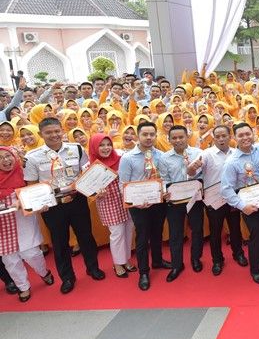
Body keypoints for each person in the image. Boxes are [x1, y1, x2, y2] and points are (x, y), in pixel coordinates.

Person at [23, 117, 104, 294]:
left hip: (77, 200)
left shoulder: (76, 149)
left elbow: (86, 173)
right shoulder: (32, 157)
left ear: (62, 131)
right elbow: (32, 185)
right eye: (48, 132)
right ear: (41, 134)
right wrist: (38, 203)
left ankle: (93, 268)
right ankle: (67, 277)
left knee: (86, 237)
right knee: (60, 243)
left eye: (56, 131)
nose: (54, 135)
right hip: (52, 206)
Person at [119, 121, 172, 291]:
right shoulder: (128, 158)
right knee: (142, 237)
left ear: (156, 136)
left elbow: (164, 177)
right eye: (145, 134)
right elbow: (123, 184)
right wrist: (135, 202)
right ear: (138, 136)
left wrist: (165, 191)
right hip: (139, 205)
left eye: (152, 134)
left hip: (157, 201)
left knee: (157, 232)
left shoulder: (161, 155)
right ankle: (143, 271)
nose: (149, 137)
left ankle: (157, 260)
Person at [221, 122, 259, 285]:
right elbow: (226, 189)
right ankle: (256, 270)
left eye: (247, 134)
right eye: (241, 135)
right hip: (249, 204)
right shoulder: (231, 162)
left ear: (253, 134)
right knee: (257, 235)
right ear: (234, 138)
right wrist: (242, 206)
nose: (245, 138)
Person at [0, 147, 54, 302]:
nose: (6, 160)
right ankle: (23, 287)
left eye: (8, 156)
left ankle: (43, 272)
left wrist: (38, 202)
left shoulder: (24, 173)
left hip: (23, 220)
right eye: (1, 158)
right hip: (3, 226)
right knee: (10, 260)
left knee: (32, 254)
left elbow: (37, 192)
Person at [194, 125, 247, 277]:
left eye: (224, 135)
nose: (221, 139)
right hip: (214, 199)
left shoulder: (236, 153)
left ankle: (238, 253)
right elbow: (192, 173)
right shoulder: (206, 154)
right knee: (215, 232)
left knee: (235, 228)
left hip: (233, 198)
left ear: (230, 136)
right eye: (217, 136)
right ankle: (217, 260)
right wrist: (191, 168)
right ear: (213, 138)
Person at [157, 125, 204, 282]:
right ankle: (177, 264)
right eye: (174, 138)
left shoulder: (198, 153)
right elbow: (164, 179)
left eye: (181, 137)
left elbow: (203, 175)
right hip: (175, 201)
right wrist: (165, 190)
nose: (178, 140)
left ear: (187, 137)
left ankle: (196, 258)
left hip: (195, 199)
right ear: (169, 140)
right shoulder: (164, 158)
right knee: (175, 234)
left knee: (197, 230)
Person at [88, 134, 136, 278]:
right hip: (108, 202)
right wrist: (97, 193)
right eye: (101, 145)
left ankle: (126, 259)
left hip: (125, 198)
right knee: (117, 233)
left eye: (108, 144)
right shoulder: (91, 166)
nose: (106, 148)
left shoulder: (121, 158)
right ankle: (118, 263)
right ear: (94, 147)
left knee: (128, 230)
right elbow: (89, 190)